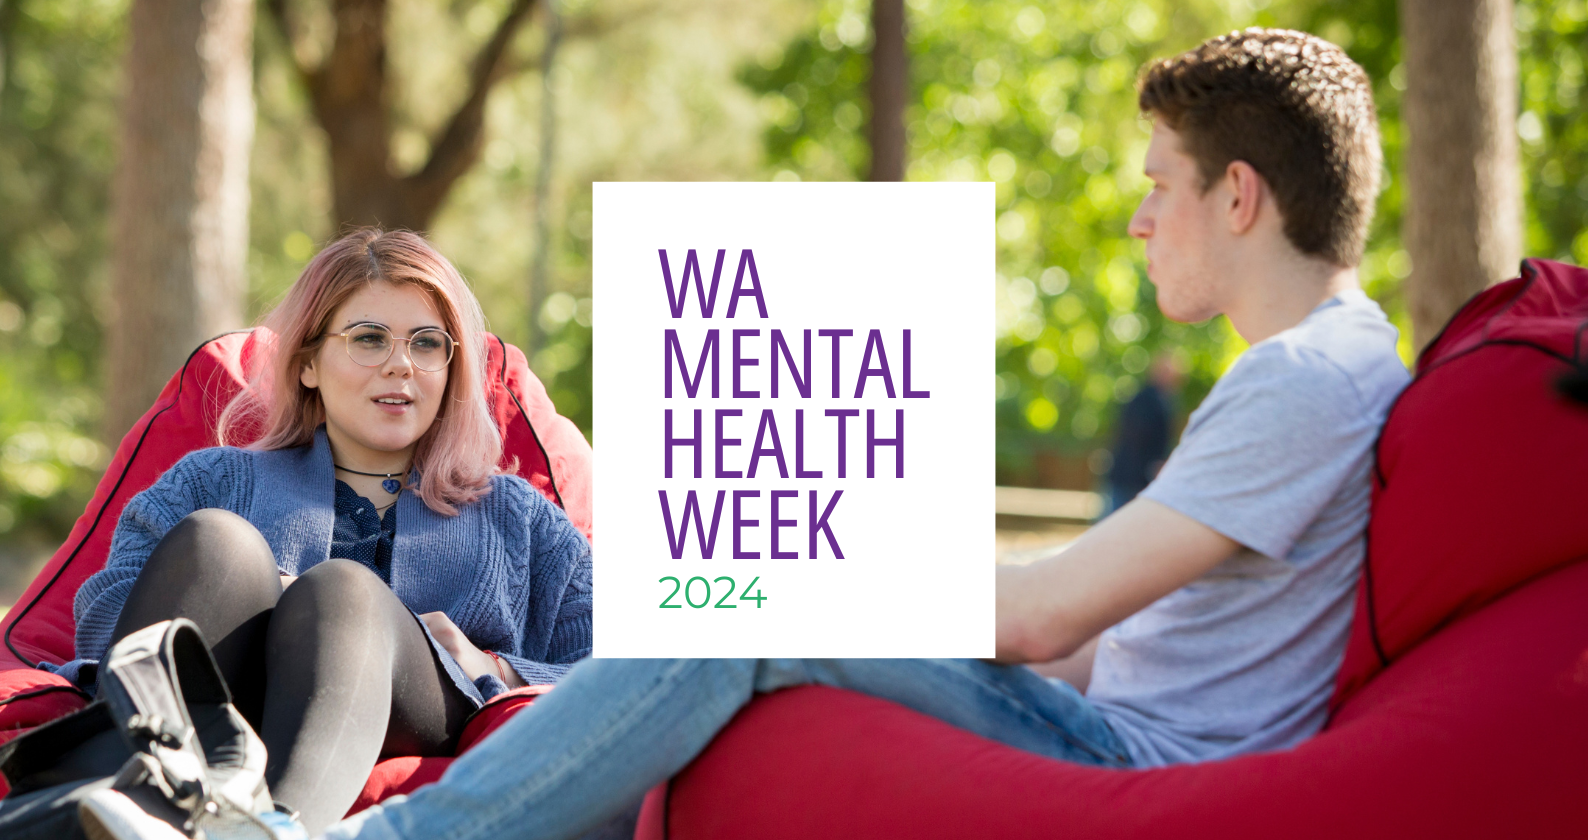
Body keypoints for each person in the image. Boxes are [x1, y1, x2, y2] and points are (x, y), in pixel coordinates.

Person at [82, 28, 1411, 840]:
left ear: (1239, 196)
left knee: (745, 611)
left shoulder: (1304, 378)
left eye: (1159, 189)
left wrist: (804, 569)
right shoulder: (1328, 369)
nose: (1138, 220)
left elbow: (1038, 622)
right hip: (1118, 730)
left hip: (1130, 764)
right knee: (747, 602)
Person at [57, 228, 592, 834]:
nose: (401, 364)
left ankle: (279, 828)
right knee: (218, 543)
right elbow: (102, 625)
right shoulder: (214, 479)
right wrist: (268, 595)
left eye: (427, 344)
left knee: (344, 591)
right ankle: (129, 803)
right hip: (220, 696)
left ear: (451, 368)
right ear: (308, 363)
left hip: (416, 710)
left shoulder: (517, 516)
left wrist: (493, 666)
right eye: (368, 339)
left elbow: (630, 666)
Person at [1100, 353, 1182, 517]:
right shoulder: (1146, 401)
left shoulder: (1161, 401)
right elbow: (1138, 436)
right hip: (1131, 478)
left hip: (1135, 478)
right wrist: (1154, 464)